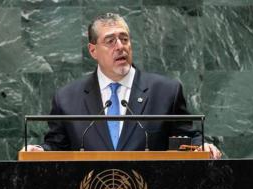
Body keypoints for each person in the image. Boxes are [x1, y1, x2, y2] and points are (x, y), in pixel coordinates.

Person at [25, 13, 222, 159]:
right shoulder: (67, 98)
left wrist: (201, 146)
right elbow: (58, 146)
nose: (120, 46)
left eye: (124, 39)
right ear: (93, 50)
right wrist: (41, 151)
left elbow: (185, 139)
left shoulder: (166, 92)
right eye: (110, 41)